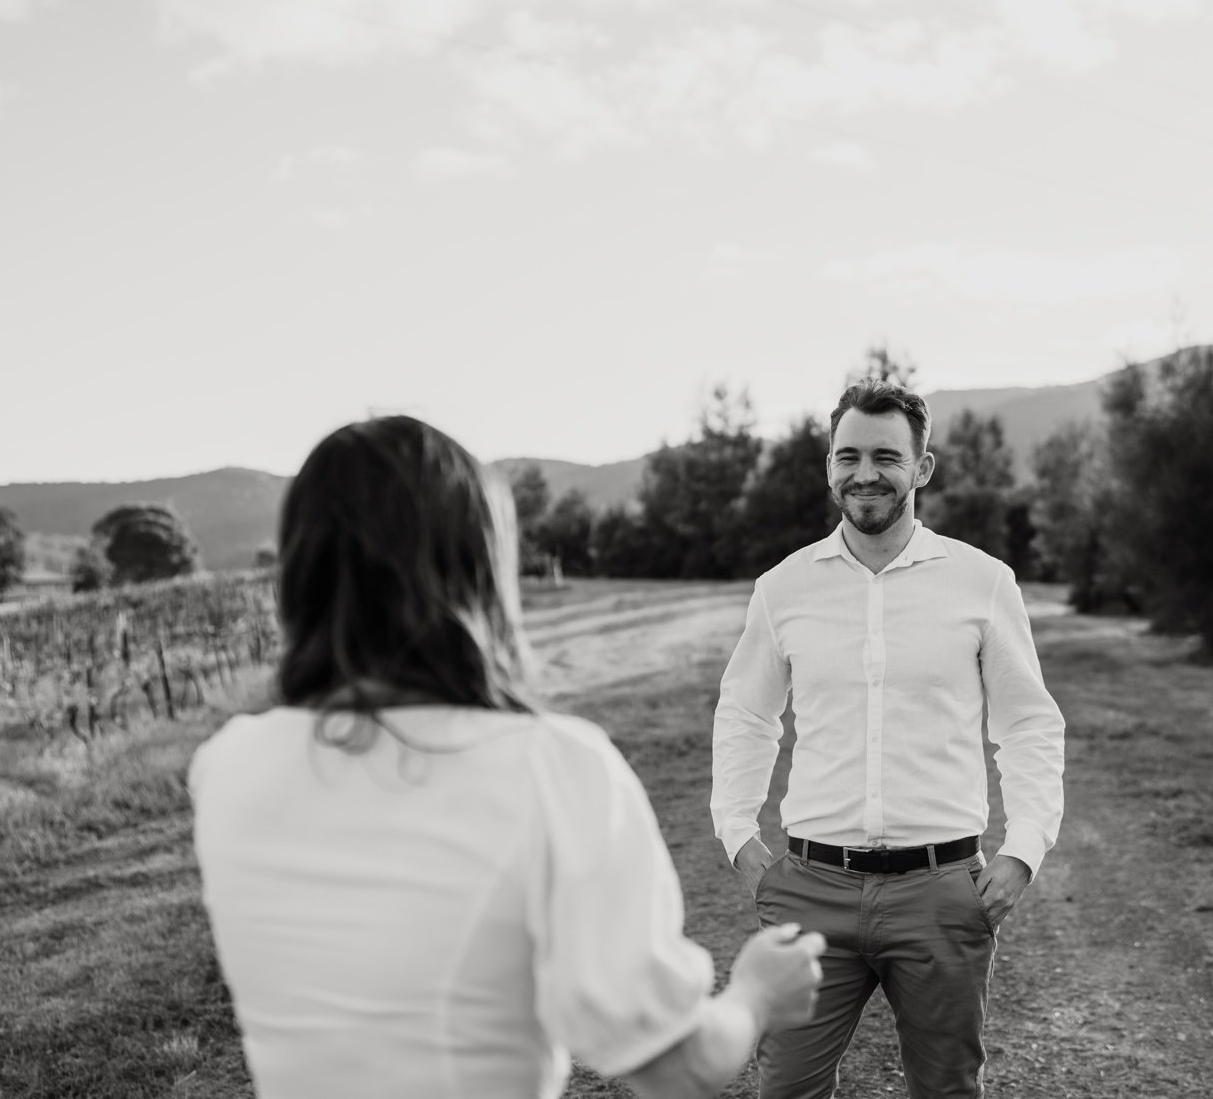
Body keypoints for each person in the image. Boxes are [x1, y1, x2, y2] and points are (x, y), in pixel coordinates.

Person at [190, 415, 826, 1099]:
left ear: (303, 571)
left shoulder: (225, 767)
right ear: (478, 571)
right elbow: (678, 1067)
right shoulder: (551, 768)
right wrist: (756, 995)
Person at [710, 380, 1066, 1099]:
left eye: (885, 457)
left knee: (946, 1091)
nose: (864, 474)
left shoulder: (983, 583)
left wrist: (1025, 851)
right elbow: (747, 715)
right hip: (810, 890)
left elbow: (1028, 723)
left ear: (922, 468)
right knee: (785, 1090)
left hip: (941, 892)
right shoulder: (784, 588)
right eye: (848, 456)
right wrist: (740, 840)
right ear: (830, 466)